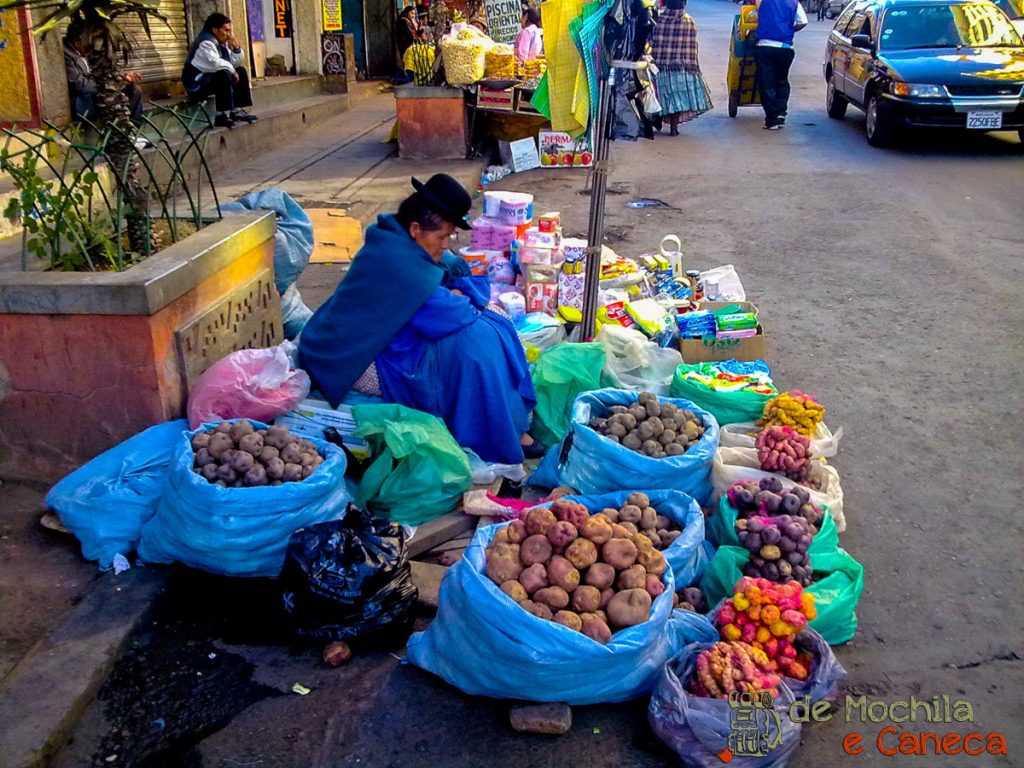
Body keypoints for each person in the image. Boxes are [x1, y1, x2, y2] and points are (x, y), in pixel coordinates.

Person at [298, 174, 537, 465]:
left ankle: (512, 428)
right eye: (442, 237)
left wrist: (460, 288)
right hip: (353, 358)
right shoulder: (395, 258)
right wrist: (462, 296)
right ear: (415, 229)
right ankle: (490, 436)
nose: (445, 245)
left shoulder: (403, 240)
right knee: (470, 350)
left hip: (385, 333)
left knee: (493, 325)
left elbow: (458, 280)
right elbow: (450, 312)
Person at [182, 13, 257, 129]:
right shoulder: (206, 43)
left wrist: (237, 49)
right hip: (196, 84)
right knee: (223, 74)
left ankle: (236, 110)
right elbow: (215, 64)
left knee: (241, 70)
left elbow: (232, 62)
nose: (228, 35)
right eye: (226, 31)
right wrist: (232, 71)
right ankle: (220, 114)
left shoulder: (219, 43)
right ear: (215, 30)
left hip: (207, 79)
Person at [650, 0, 713, 136]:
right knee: (677, 99)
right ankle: (674, 128)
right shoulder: (688, 21)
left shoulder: (658, 20)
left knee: (660, 96)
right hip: (681, 68)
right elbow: (692, 47)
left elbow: (651, 43)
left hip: (659, 66)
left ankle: (657, 119)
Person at [64, 24, 144, 127]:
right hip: (84, 99)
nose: (91, 45)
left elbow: (103, 70)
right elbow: (81, 85)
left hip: (98, 91)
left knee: (134, 90)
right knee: (112, 97)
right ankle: (117, 129)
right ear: (77, 41)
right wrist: (112, 85)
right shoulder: (65, 54)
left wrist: (123, 77)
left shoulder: (86, 50)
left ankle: (134, 129)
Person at [754, 0, 807, 130]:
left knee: (767, 83)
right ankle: (780, 113)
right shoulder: (794, 3)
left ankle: (772, 119)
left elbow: (756, 8)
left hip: (764, 46)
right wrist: (790, 29)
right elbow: (803, 22)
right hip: (785, 47)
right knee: (782, 81)